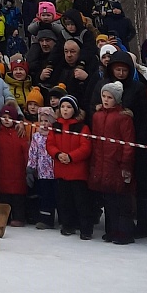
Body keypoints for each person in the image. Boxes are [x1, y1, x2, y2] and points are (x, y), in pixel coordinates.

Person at [88, 82, 135, 244]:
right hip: (102, 163)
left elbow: (128, 143)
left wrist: (125, 164)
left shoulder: (123, 117)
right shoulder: (97, 116)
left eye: (110, 97)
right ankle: (111, 230)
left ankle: (124, 232)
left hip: (117, 164)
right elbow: (95, 141)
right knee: (108, 199)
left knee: (121, 200)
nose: (106, 100)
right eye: (104, 96)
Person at [47, 94, 93, 239]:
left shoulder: (82, 127)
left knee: (81, 202)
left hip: (78, 172)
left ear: (75, 109)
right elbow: (50, 144)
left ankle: (86, 228)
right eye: (63, 107)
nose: (65, 110)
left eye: (69, 107)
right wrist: (58, 154)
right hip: (61, 170)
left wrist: (71, 156)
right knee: (64, 201)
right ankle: (67, 225)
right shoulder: (55, 127)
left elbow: (86, 147)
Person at [27, 106, 57, 228]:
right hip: (42, 172)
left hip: (55, 171)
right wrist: (30, 168)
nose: (44, 124)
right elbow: (33, 152)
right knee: (44, 195)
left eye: (47, 121)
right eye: (42, 121)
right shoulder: (36, 136)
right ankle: (45, 219)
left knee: (55, 195)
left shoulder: (55, 135)